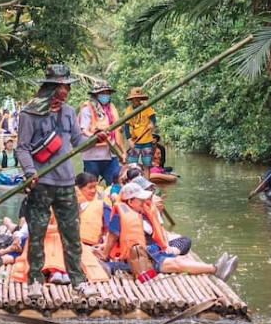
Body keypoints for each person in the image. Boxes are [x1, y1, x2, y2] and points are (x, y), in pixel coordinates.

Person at [15, 64, 108, 300]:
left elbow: (77, 141)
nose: (65, 91)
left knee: (72, 234)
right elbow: (23, 149)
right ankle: (35, 281)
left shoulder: (68, 112)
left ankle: (78, 281)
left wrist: (95, 139)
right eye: (60, 86)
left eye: (66, 86)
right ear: (49, 87)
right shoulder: (30, 113)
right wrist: (29, 172)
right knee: (37, 233)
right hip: (41, 183)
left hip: (66, 183)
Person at [94, 183, 238, 281]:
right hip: (134, 260)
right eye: (140, 200)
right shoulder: (119, 216)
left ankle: (216, 269)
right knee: (175, 263)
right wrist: (105, 256)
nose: (144, 202)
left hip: (146, 254)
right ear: (130, 202)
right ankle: (215, 269)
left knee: (177, 260)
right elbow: (111, 241)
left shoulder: (137, 212)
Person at [78, 81, 127, 186]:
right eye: (103, 93)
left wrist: (123, 152)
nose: (106, 95)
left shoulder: (111, 109)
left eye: (107, 93)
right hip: (92, 156)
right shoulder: (88, 108)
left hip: (110, 154)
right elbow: (84, 129)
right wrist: (94, 136)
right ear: (96, 94)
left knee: (117, 181)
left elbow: (117, 133)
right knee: (91, 185)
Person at [124, 87, 156, 179]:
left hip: (147, 141)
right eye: (135, 98)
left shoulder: (146, 107)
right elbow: (126, 126)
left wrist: (151, 124)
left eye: (138, 98)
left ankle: (147, 183)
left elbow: (153, 118)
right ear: (132, 99)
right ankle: (132, 183)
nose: (137, 100)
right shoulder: (129, 110)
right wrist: (129, 140)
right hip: (135, 142)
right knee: (132, 164)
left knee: (147, 164)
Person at [0, 199, 28, 266]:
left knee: (9, 257)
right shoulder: (29, 203)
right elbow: (24, 225)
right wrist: (17, 237)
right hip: (24, 237)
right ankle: (1, 254)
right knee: (6, 220)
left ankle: (0, 253)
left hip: (29, 244)